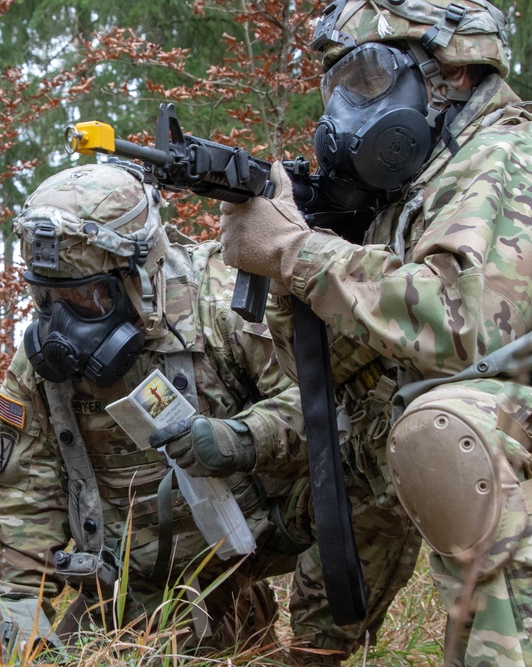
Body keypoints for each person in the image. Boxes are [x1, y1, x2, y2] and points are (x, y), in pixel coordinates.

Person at [0, 162, 416, 663]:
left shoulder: (223, 304)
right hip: (132, 577)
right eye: (46, 296)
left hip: (254, 534)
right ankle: (209, 622)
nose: (62, 322)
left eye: (87, 296)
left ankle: (314, 652)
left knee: (378, 467)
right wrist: (19, 617)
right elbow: (25, 495)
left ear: (141, 272)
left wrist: (244, 437)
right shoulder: (39, 370)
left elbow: (324, 406)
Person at [212, 1, 532, 664]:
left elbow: (460, 323)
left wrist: (300, 255)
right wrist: (291, 273)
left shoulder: (503, 157)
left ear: (452, 75)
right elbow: (336, 367)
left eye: (366, 82)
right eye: (337, 90)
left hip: (490, 427)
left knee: (447, 427)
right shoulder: (425, 185)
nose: (340, 116)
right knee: (367, 431)